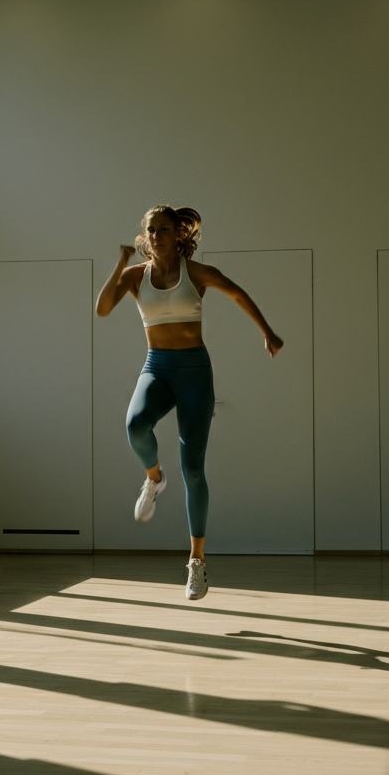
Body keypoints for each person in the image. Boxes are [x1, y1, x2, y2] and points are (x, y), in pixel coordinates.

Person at [95, 205, 283, 600]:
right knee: (135, 424)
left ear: (178, 234)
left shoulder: (194, 273)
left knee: (194, 469)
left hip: (195, 372)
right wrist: (120, 263)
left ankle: (196, 562)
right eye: (151, 230)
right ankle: (154, 478)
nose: (158, 235)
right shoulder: (135, 276)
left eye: (164, 229)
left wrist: (267, 331)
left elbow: (235, 292)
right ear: (145, 237)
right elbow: (103, 308)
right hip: (158, 368)